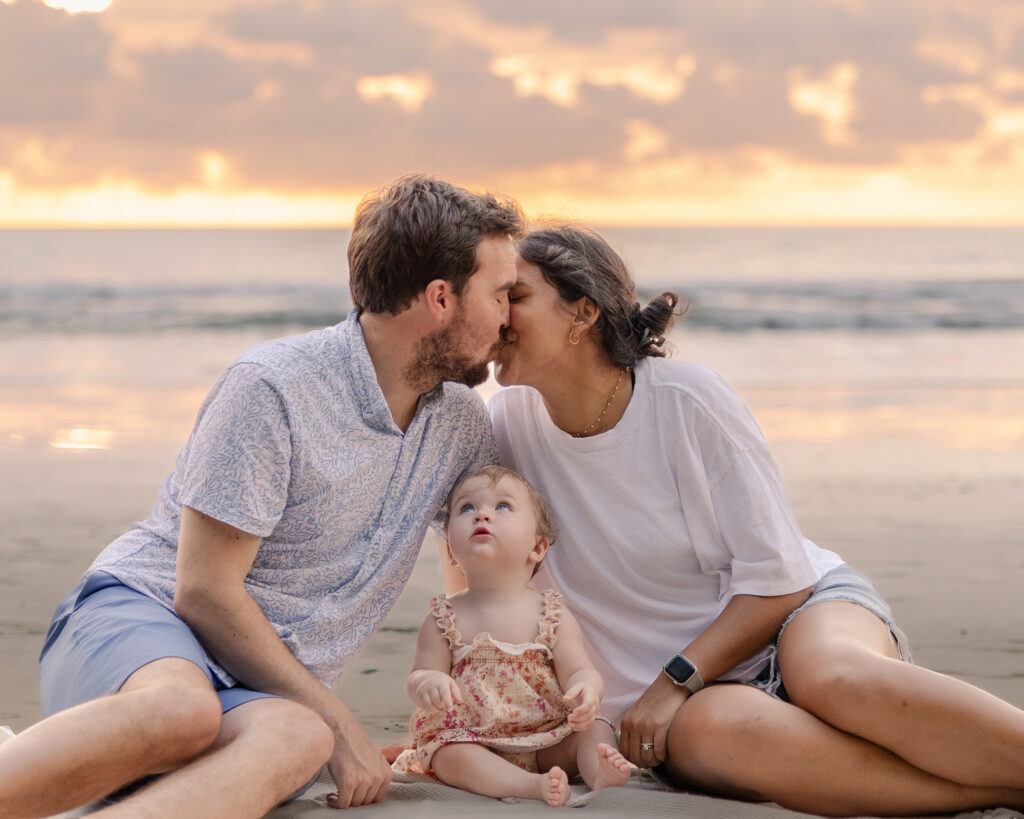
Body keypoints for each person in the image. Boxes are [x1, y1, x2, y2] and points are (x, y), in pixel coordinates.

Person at [0, 175, 523, 819]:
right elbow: (204, 592)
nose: (509, 316)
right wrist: (339, 720)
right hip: (143, 626)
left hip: (262, 693)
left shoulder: (462, 423)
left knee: (299, 737)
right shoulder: (273, 388)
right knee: (186, 711)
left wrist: (465, 721)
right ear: (441, 298)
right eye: (500, 294)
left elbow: (477, 572)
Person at [476, 223, 1024, 816]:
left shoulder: (687, 400)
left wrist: (674, 679)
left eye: (517, 296)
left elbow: (781, 575)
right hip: (691, 703)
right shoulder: (504, 426)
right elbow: (481, 577)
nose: (499, 315)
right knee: (712, 733)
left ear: (581, 313)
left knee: (831, 676)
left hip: (795, 610)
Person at [394, 466, 631, 807]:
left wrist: (587, 690)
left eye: (502, 506)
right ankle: (529, 786)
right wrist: (428, 682)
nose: (483, 515)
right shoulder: (444, 618)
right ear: (449, 551)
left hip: (547, 737)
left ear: (537, 547)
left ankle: (600, 775)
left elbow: (579, 668)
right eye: (467, 508)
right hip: (475, 740)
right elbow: (418, 674)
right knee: (448, 755)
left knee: (595, 728)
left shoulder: (551, 614)